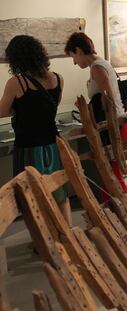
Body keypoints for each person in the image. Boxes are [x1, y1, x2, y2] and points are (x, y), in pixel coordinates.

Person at [64, 32, 127, 224]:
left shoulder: (97, 67)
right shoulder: (100, 64)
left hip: (112, 127)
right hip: (113, 125)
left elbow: (110, 101)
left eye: (73, 57)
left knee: (113, 175)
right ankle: (115, 217)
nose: (74, 62)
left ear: (79, 51)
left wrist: (91, 110)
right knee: (110, 175)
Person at [0, 35, 71, 226]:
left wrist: (20, 108)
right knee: (59, 191)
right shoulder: (58, 79)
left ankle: (44, 241)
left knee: (32, 195)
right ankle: (67, 234)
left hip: (29, 147)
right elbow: (51, 106)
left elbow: (2, 111)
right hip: (53, 143)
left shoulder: (17, 83)